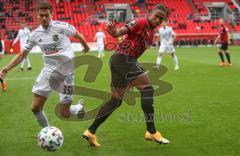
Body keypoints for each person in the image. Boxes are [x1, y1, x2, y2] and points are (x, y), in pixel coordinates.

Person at [83, 4, 170, 147]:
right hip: (124, 59)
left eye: (161, 19)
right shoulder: (142, 22)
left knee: (116, 101)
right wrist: (116, 32)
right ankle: (151, 131)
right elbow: (124, 30)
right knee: (148, 89)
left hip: (122, 61)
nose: (157, 20)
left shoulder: (151, 33)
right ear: (151, 14)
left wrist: (130, 79)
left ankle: (90, 132)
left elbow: (135, 53)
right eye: (156, 16)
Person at [0, 0, 90, 128]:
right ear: (37, 15)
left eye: (46, 15)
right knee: (35, 107)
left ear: (51, 14)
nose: (44, 18)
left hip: (66, 74)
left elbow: (78, 35)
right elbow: (22, 55)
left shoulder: (62, 26)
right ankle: (47, 131)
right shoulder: (35, 34)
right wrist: (6, 68)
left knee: (64, 113)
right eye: (41, 15)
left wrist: (85, 46)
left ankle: (78, 107)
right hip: (48, 71)